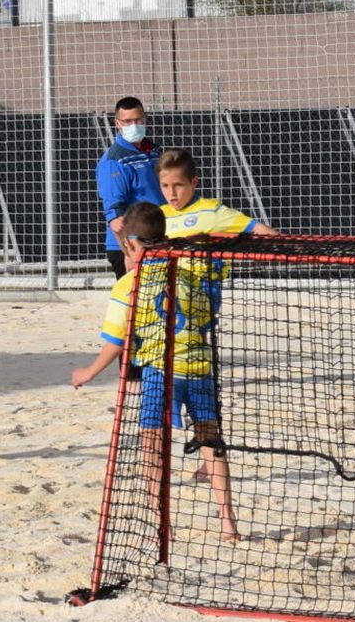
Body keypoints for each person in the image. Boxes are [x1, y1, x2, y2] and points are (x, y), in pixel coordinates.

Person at [71, 202, 241, 543]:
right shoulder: (189, 273)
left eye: (125, 251)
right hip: (199, 368)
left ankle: (163, 523)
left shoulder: (128, 285)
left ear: (132, 244)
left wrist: (89, 371)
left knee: (152, 445)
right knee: (211, 442)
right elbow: (208, 315)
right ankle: (228, 523)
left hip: (159, 373)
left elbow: (116, 340)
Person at [96, 96, 167, 280]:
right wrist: (128, 252)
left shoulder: (154, 152)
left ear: (145, 118)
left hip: (156, 237)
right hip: (132, 245)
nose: (134, 125)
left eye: (138, 120)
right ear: (117, 124)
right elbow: (116, 217)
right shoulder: (114, 161)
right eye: (127, 121)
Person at [155, 147, 278, 239]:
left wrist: (287, 248)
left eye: (178, 185)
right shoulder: (157, 216)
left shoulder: (212, 211)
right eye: (165, 185)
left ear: (194, 182)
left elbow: (257, 228)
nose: (171, 192)